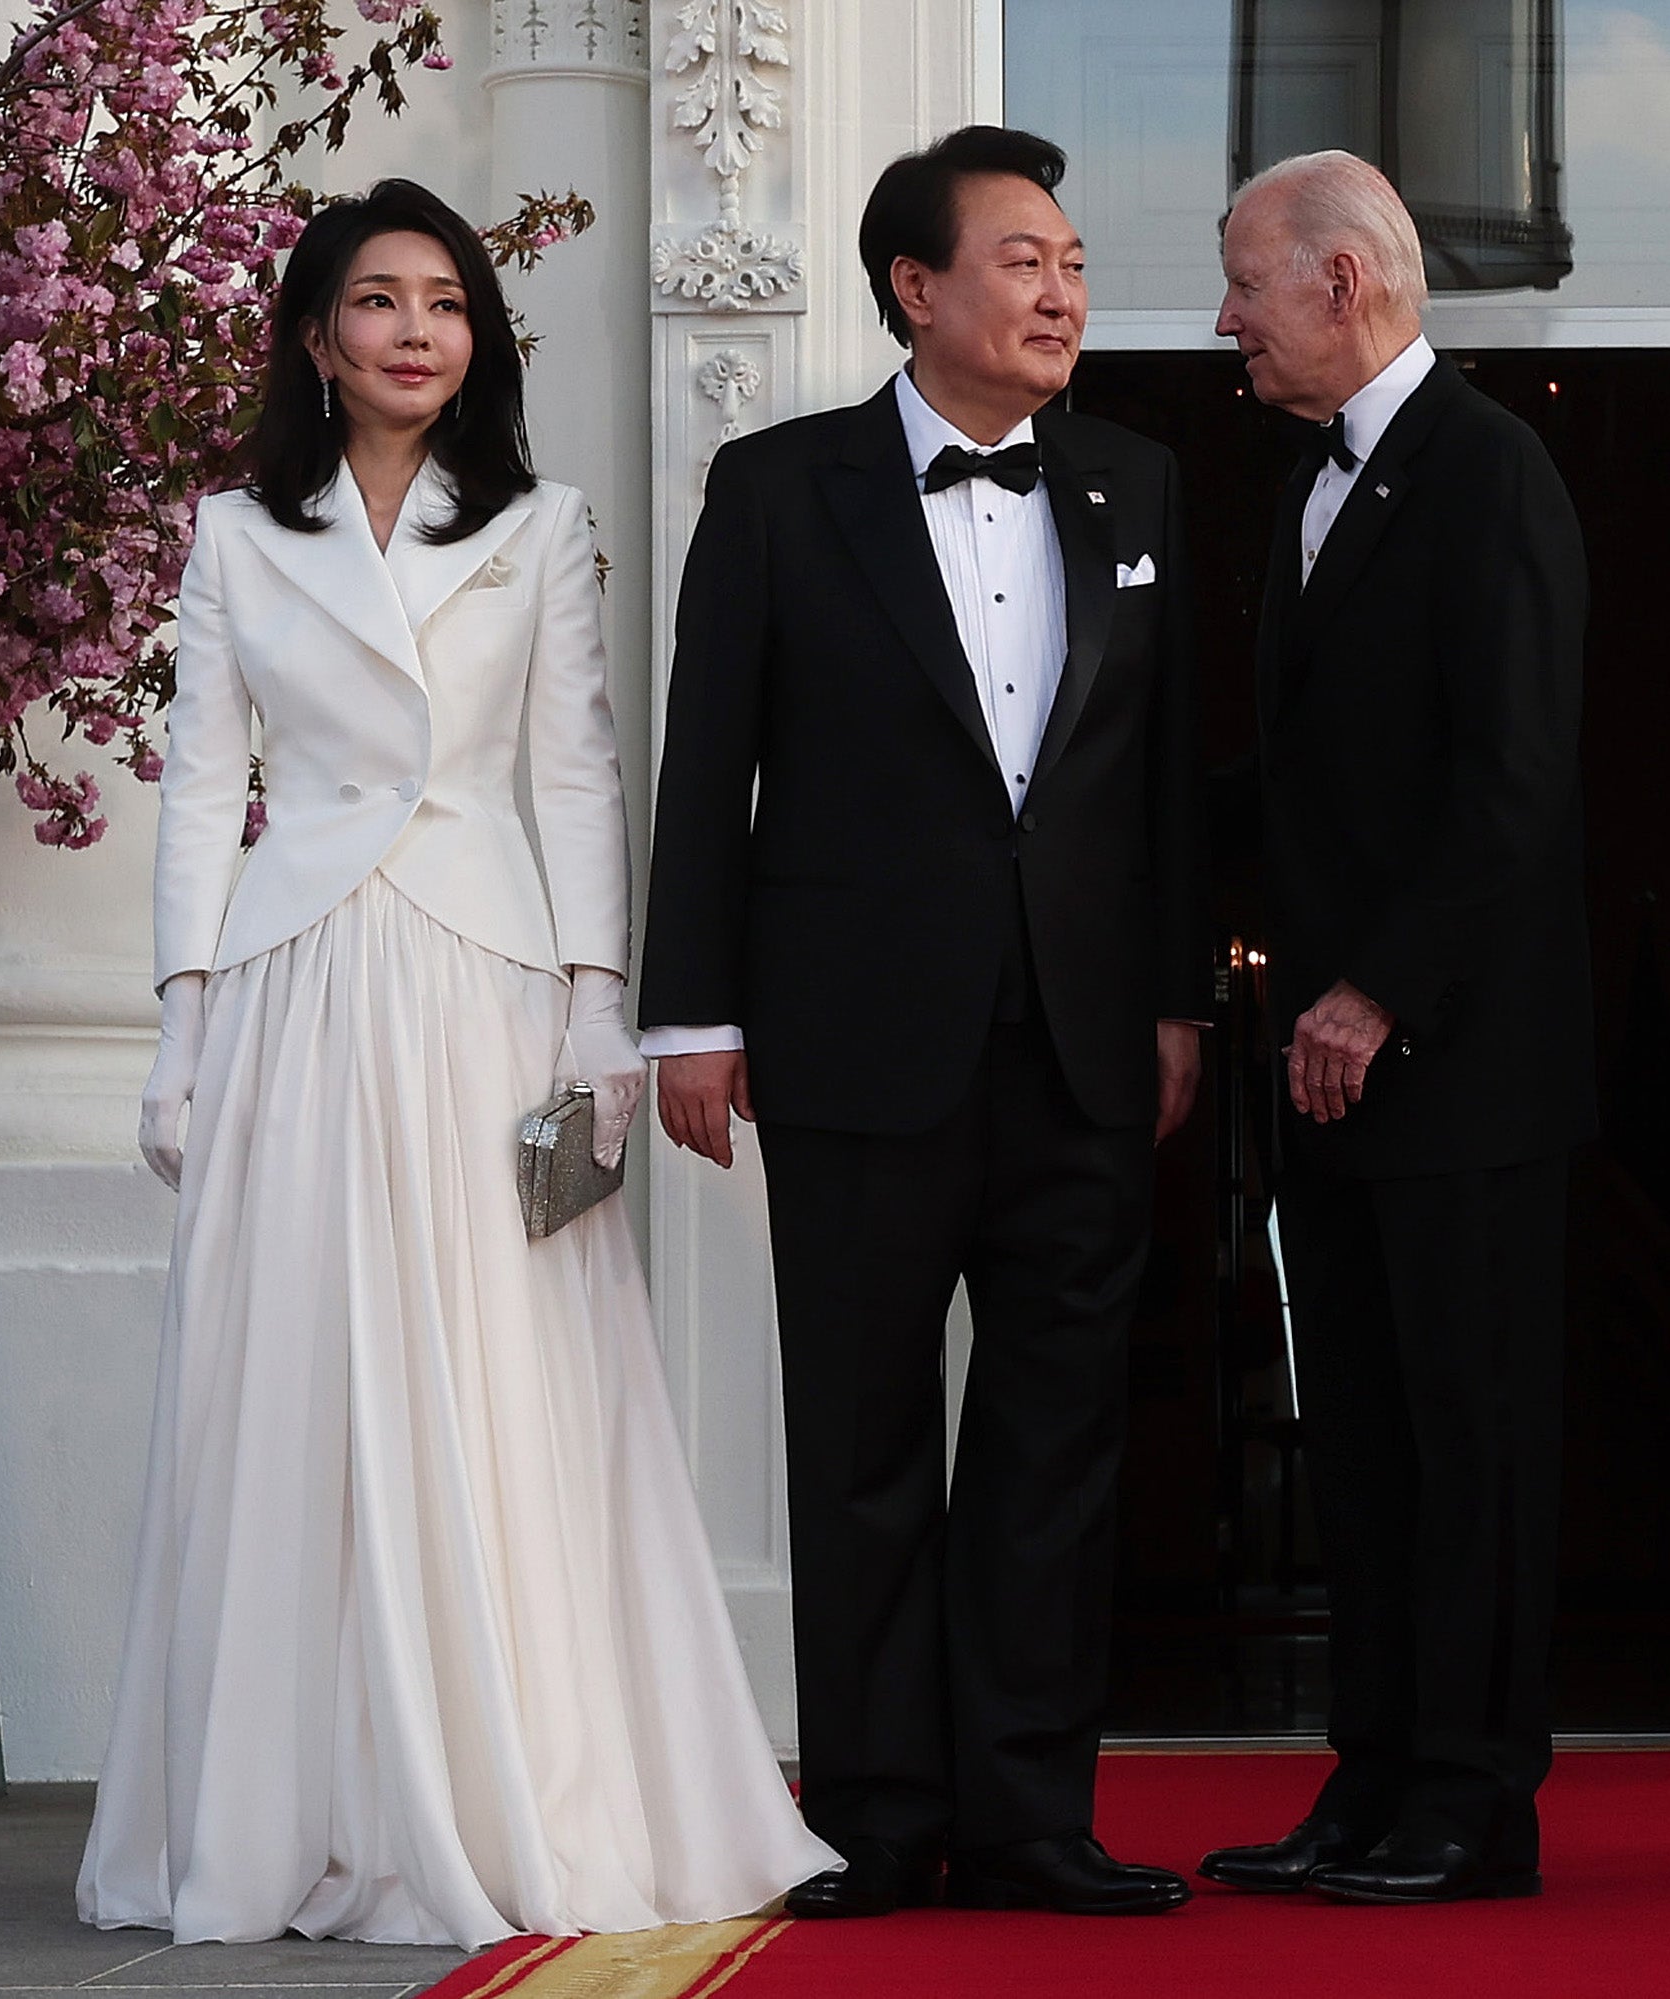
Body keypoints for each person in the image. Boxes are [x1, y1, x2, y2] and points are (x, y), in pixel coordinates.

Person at [81, 180, 834, 1946]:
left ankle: (514, 1787)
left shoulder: (544, 523)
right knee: (296, 1382)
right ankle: (290, 1806)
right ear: (315, 336)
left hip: (489, 983)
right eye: (378, 300)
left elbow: (579, 777)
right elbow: (200, 789)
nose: (417, 328)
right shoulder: (232, 535)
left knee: (504, 1375)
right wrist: (179, 1023)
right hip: (293, 984)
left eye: (447, 301)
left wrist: (599, 1011)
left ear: (478, 337)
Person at [639, 127, 1205, 1920]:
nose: (1064, 293)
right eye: (1026, 259)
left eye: (1075, 262)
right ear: (916, 287)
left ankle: (1033, 1815)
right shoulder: (777, 487)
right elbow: (704, 770)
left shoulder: (1138, 482)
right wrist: (691, 1022)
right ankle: (878, 1815)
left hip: (1085, 1045)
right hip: (853, 1042)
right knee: (865, 1439)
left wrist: (1180, 996)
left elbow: (1167, 780)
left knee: (1054, 1444)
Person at [1197, 152, 1593, 1907]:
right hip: (1337, 1079)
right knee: (1358, 1439)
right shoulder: (1307, 488)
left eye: (1245, 285)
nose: (1224, 320)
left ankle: (1474, 1804)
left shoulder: (1490, 471)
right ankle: (1368, 1779)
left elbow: (1514, 785)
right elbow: (1290, 788)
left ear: (1342, 279)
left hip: (1465, 1072)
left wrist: (1376, 992)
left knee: (1469, 1443)